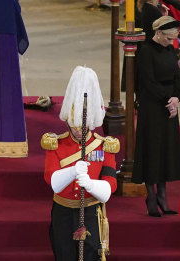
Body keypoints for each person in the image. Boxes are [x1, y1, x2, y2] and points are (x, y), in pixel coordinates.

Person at [42, 66, 118, 261]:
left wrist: (91, 184)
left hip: (91, 211)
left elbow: (110, 185)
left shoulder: (104, 146)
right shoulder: (55, 144)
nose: (78, 132)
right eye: (74, 127)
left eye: (82, 127)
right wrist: (72, 172)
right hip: (63, 212)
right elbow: (52, 180)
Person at [132, 16, 180, 217]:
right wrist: (167, 100)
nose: (171, 41)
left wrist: (176, 98)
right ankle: (151, 197)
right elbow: (148, 81)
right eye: (168, 37)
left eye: (173, 38)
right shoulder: (145, 52)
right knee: (152, 149)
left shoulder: (170, 50)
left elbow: (178, 78)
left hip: (169, 104)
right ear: (159, 33)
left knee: (166, 150)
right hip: (152, 106)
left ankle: (163, 196)